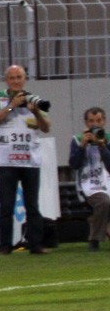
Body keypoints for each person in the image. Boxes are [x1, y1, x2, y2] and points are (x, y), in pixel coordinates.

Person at [0, 65, 51, 255]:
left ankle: (35, 244)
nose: (15, 81)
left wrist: (36, 112)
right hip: (6, 160)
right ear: (7, 80)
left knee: (32, 205)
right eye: (12, 78)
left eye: (19, 77)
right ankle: (5, 245)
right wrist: (11, 105)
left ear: (24, 79)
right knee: (6, 205)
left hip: (30, 159)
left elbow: (46, 127)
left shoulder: (33, 98)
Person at [68, 106, 110, 251]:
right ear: (86, 123)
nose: (95, 124)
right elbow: (74, 164)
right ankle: (94, 239)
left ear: (104, 122)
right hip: (89, 184)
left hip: (106, 179)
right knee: (104, 202)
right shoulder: (77, 140)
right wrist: (82, 146)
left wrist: (102, 146)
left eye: (98, 120)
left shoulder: (107, 139)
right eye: (91, 121)